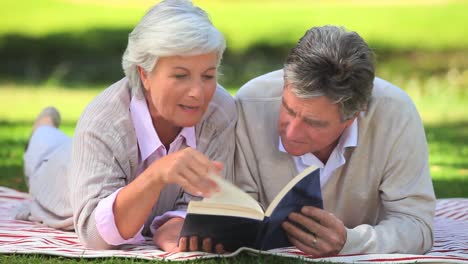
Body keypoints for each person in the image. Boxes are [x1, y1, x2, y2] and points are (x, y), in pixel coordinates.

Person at [17, 0, 236, 252]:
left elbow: (204, 199)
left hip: (88, 149)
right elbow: (93, 235)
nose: (198, 93)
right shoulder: (102, 122)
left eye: (208, 75)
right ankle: (42, 126)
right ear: (144, 73)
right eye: (180, 75)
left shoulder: (220, 111)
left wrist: (175, 226)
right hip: (59, 170)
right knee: (44, 151)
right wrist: (156, 175)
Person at [234, 25, 436, 256]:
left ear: (353, 116)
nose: (292, 134)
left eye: (314, 123)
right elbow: (237, 208)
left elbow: (416, 226)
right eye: (288, 110)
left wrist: (351, 242)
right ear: (285, 85)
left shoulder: (394, 113)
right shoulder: (250, 103)